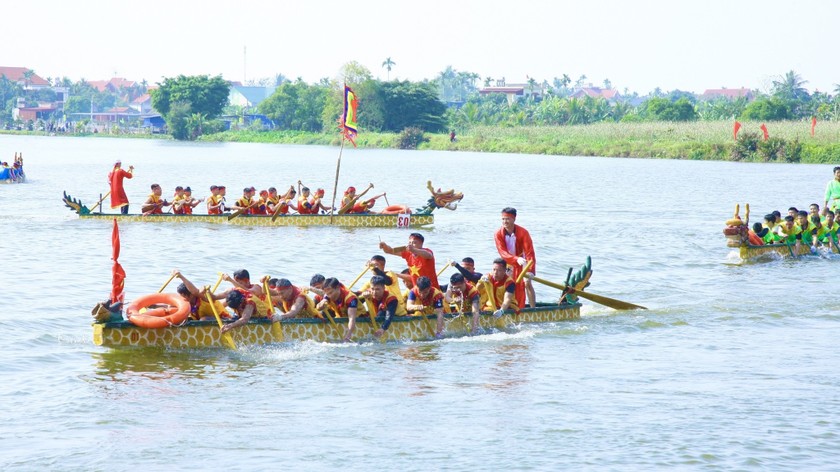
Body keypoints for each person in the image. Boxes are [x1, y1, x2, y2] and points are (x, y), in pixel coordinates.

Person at [494, 207, 536, 309]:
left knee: (526, 283)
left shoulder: (523, 232)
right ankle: (508, 307)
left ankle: (532, 309)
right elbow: (502, 252)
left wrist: (530, 270)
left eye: (507, 219)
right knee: (508, 284)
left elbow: (529, 252)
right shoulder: (498, 233)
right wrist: (515, 259)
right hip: (508, 262)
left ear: (514, 219)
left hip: (524, 261)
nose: (505, 221)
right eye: (503, 219)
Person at [317, 277, 360, 341]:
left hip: (359, 318)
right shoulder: (327, 295)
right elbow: (318, 307)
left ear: (337, 288)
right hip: (341, 317)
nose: (329, 296)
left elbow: (351, 319)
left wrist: (348, 335)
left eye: (331, 293)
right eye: (327, 294)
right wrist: (321, 305)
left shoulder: (350, 298)